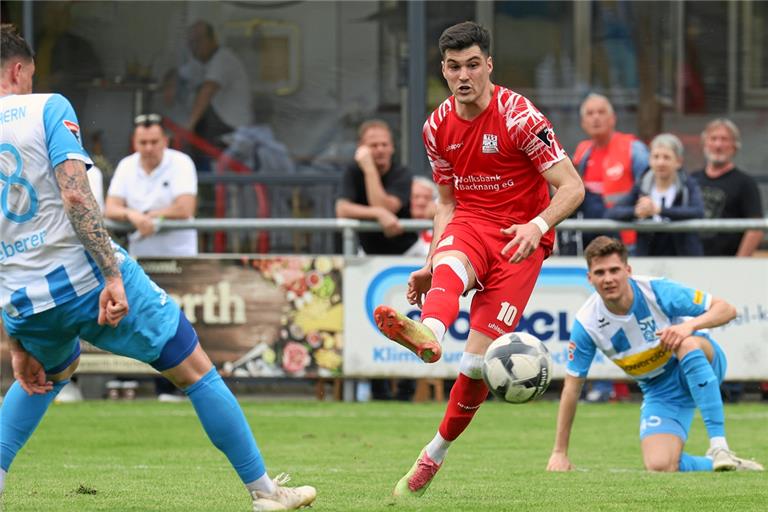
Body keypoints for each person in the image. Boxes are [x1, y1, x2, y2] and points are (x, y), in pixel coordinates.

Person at [0, 25, 315, 510]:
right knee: (196, 369)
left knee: (44, 374)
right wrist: (110, 274)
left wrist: (14, 336)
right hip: (85, 279)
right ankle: (265, 492)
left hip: (26, 300)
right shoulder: (47, 107)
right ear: (20, 69)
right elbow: (74, 193)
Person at [373, 21, 585, 497]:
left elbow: (573, 187)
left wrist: (538, 225)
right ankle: (430, 331)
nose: (463, 75)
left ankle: (433, 455)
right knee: (449, 266)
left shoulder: (520, 117)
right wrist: (430, 261)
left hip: (519, 241)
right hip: (471, 222)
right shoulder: (436, 127)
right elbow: (446, 203)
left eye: (472, 65)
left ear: (488, 65)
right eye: (453, 67)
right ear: (443, 71)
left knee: (474, 370)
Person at [546, 236, 764, 473]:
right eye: (599, 273)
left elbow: (727, 309)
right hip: (659, 389)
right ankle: (726, 466)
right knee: (660, 465)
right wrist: (559, 453)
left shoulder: (656, 291)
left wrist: (688, 327)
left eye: (614, 270)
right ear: (589, 279)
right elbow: (571, 388)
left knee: (686, 344)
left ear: (628, 270)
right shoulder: (587, 324)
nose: (608, 279)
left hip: (701, 360)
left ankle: (719, 446)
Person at [563, 93, 649, 252]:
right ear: (583, 123)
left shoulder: (632, 148)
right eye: (590, 113)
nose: (596, 118)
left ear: (613, 118)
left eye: (601, 112)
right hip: (592, 240)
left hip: (627, 238)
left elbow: (649, 189)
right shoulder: (582, 151)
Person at [105, 113, 198, 259]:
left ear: (165, 141)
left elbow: (185, 209)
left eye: (154, 142)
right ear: (134, 143)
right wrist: (132, 215)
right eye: (143, 142)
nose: (149, 148)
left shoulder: (182, 162)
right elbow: (110, 208)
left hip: (179, 255)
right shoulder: (126, 165)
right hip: (139, 256)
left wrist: (148, 216)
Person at [606, 133, 704, 256]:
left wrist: (659, 210)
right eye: (656, 157)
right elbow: (612, 212)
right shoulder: (641, 185)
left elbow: (698, 212)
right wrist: (636, 212)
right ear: (649, 160)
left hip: (683, 256)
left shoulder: (688, 185)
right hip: (647, 257)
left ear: (678, 162)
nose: (660, 162)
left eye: (666, 157)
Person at [335, 119, 418, 255]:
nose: (380, 150)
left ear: (392, 147)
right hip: (368, 252)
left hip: (408, 252)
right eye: (373, 145)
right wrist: (378, 214)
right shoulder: (352, 171)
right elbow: (342, 210)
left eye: (384, 145)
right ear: (361, 148)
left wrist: (369, 169)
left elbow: (384, 206)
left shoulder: (401, 173)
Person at [691, 119, 764, 257]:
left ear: (735, 146)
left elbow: (756, 228)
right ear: (705, 144)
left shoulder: (745, 183)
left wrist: (738, 264)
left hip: (727, 264)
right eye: (713, 139)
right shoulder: (692, 180)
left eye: (724, 139)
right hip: (692, 261)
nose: (718, 145)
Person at [182, 21, 253, 151]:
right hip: (218, 133)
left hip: (232, 133)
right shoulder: (200, 63)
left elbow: (207, 91)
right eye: (191, 43)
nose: (194, 47)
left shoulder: (223, 59)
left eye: (198, 41)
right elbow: (181, 75)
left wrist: (188, 126)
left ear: (212, 39)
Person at [403, 176, 438, 258]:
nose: (421, 202)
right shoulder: (397, 224)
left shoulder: (441, 227)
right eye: (416, 197)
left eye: (427, 198)